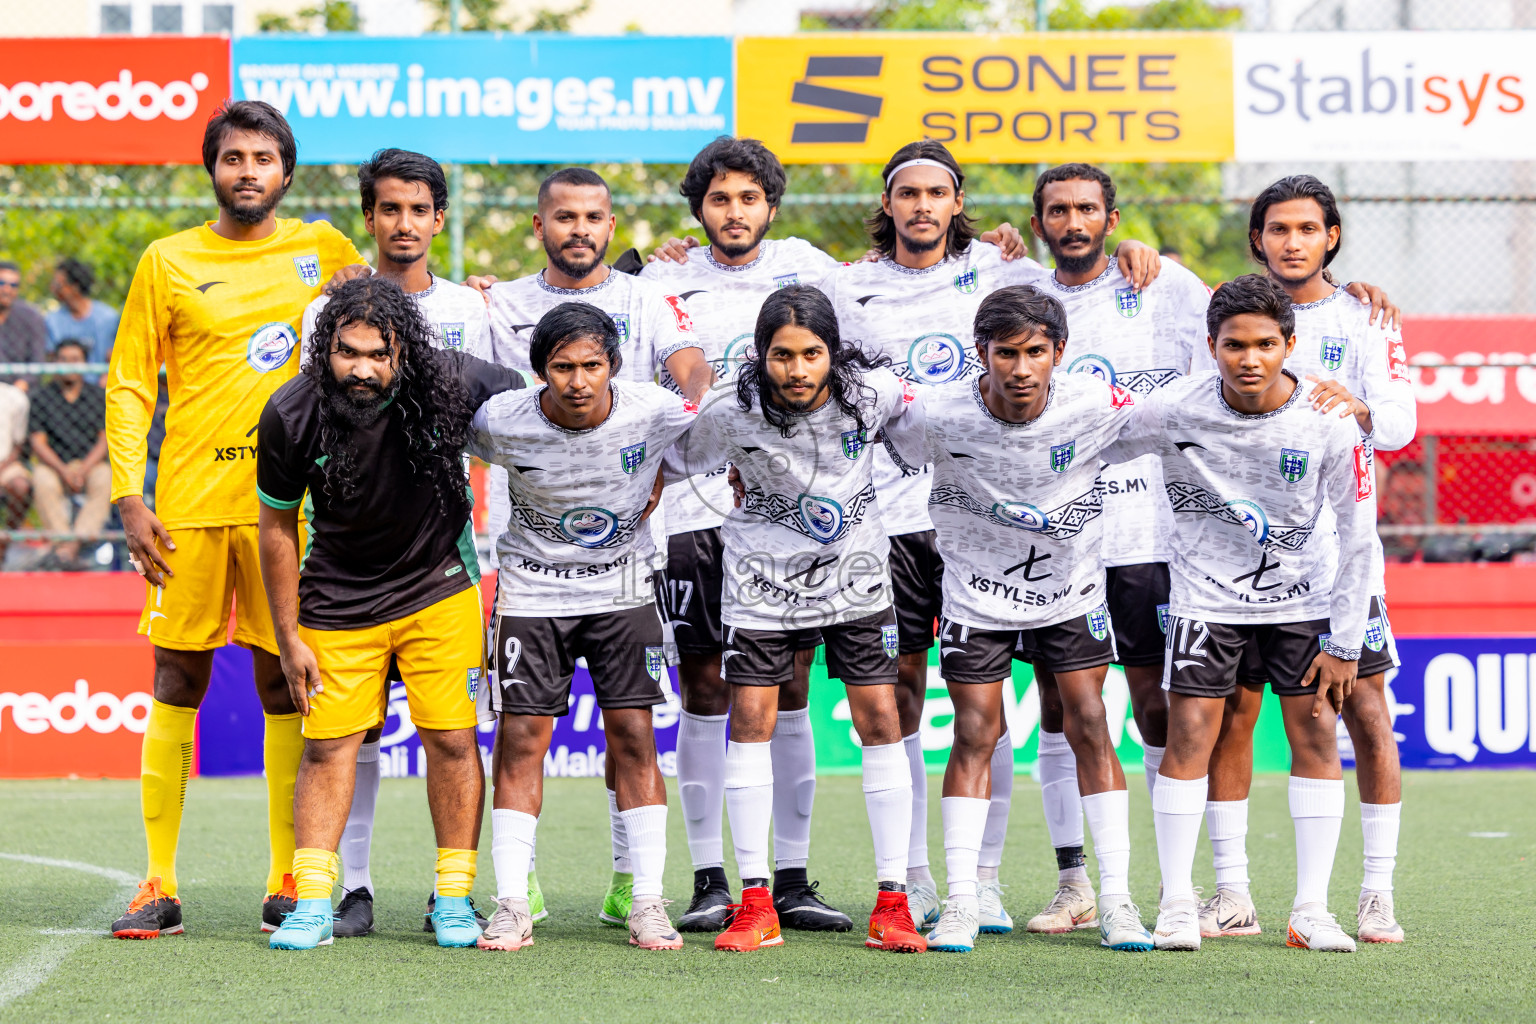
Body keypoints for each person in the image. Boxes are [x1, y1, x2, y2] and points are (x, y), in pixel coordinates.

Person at [819, 138, 1161, 932]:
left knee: (1076, 717)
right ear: (888, 202)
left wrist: (1132, 248)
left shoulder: (1006, 271)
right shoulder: (847, 286)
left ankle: (1071, 891)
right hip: (906, 525)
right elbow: (830, 394)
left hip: (1045, 565)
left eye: (938, 192)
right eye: (908, 193)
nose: (923, 206)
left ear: (957, 200)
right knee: (938, 709)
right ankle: (923, 885)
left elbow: (1091, 281)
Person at [106, 100, 364, 940]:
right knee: (177, 677)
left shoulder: (324, 249)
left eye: (263, 158)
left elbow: (390, 315)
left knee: (283, 681)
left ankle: (286, 877)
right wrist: (127, 495)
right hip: (185, 507)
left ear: (286, 172)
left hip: (289, 511)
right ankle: (158, 882)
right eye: (232, 157)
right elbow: (131, 382)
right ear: (210, 168)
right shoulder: (167, 259)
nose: (247, 171)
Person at [1107, 274, 1375, 953]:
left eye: (1264, 344)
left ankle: (1311, 910)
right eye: (1233, 345)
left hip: (1303, 601)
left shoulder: (1327, 418)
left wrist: (1346, 641)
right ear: (1212, 346)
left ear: (1290, 343)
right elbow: (1095, 446)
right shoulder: (1172, 408)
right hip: (1207, 599)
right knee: (1190, 737)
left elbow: (1358, 531)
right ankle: (1174, 905)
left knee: (1314, 736)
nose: (1248, 359)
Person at [882, 285, 1152, 954]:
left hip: (1072, 591)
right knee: (976, 730)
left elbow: (1184, 424)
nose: (1022, 368)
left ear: (1059, 353)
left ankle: (1115, 899)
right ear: (982, 354)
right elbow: (860, 435)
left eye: (1036, 352)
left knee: (1091, 723)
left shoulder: (1097, 402)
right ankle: (962, 902)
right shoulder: (936, 414)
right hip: (975, 593)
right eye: (1007, 353)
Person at [256, 276, 523, 950]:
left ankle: (455, 899)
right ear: (325, 350)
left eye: (380, 354)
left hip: (439, 588)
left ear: (404, 350)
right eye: (348, 353)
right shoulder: (290, 411)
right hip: (337, 598)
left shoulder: (453, 381)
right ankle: (316, 902)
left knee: (454, 740)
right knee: (328, 750)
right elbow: (277, 530)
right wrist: (288, 638)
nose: (364, 369)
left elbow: (536, 399)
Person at [483, 166, 711, 928]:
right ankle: (513, 899)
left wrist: (666, 468)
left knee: (635, 733)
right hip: (531, 583)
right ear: (539, 224)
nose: (579, 228)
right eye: (565, 216)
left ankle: (640, 894)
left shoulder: (648, 315)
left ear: (612, 226)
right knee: (521, 738)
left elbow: (702, 394)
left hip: (625, 578)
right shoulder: (500, 313)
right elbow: (457, 406)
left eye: (594, 217)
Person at [636, 136, 851, 933]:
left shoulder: (809, 268)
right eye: (720, 200)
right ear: (699, 208)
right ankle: (708, 879)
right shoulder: (657, 280)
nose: (735, 213)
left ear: (771, 204)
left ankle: (789, 878)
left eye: (749, 198)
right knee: (706, 690)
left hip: (788, 522)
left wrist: (992, 247)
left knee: (789, 690)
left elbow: (877, 327)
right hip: (693, 518)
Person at [669, 285, 925, 954]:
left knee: (881, 720)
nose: (798, 370)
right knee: (750, 722)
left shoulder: (872, 395)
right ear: (761, 356)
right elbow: (672, 460)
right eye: (782, 355)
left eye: (812, 354)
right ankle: (756, 904)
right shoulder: (730, 409)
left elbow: (932, 438)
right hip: (760, 580)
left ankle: (892, 902)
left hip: (857, 578)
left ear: (833, 355)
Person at [1193, 175, 1415, 944]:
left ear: (1332, 236)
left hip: (1335, 562)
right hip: (1233, 564)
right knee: (1235, 718)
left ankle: (1375, 893)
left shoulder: (1367, 315)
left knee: (1364, 715)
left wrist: (1354, 405)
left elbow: (1396, 426)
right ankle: (1231, 896)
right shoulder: (1227, 306)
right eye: (1278, 228)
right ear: (1258, 237)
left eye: (1307, 229)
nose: (1293, 241)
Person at [297, 147, 490, 939]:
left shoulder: (472, 310)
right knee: (351, 732)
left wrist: (500, 553)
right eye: (388, 209)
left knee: (453, 732)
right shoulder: (325, 313)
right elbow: (311, 426)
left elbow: (500, 436)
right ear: (369, 219)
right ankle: (355, 888)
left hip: (443, 560)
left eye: (418, 209)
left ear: (438, 219)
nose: (403, 223)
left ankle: (461, 892)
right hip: (344, 561)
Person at [1020, 163, 1209, 934]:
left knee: (1157, 707)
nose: (1073, 221)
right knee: (1063, 709)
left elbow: (1238, 353)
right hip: (1062, 540)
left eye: (1087, 209)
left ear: (1112, 216)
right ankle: (1075, 882)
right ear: (1037, 225)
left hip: (1150, 538)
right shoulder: (1021, 298)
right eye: (1057, 210)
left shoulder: (1168, 285)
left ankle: (1177, 887)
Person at [28, 340, 110, 569]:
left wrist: (83, 469)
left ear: (85, 363)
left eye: (75, 359)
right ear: (55, 362)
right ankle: (65, 546)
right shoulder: (42, 397)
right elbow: (38, 442)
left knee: (105, 476)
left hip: (89, 464)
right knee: (41, 478)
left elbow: (104, 440)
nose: (69, 365)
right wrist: (63, 471)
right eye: (63, 359)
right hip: (55, 466)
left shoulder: (96, 396)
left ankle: (67, 551)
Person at [46, 258, 121, 368]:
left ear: (75, 286)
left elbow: (115, 357)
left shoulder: (107, 318)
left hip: (102, 383)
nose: (53, 289)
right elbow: (51, 357)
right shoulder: (53, 320)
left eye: (59, 285)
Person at [0, 260, 49, 390]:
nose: (7, 290)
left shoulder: (31, 317)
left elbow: (38, 361)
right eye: (1, 283)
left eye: (13, 285)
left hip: (19, 391)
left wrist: (23, 384)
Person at [0, 380, 29, 561]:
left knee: (21, 486)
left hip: (6, 463)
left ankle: (3, 544)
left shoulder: (15, 397)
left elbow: (18, 445)